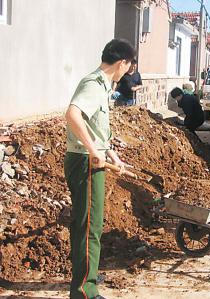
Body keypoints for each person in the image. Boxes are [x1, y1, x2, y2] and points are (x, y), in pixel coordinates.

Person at [64, 38, 135, 299]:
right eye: (127, 67)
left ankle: (87, 275)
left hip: (90, 158)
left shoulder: (101, 86)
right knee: (89, 227)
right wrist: (95, 154)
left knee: (89, 224)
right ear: (121, 62)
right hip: (85, 162)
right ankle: (85, 291)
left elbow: (95, 130)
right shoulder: (94, 84)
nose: (127, 72)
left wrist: (111, 155)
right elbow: (73, 115)